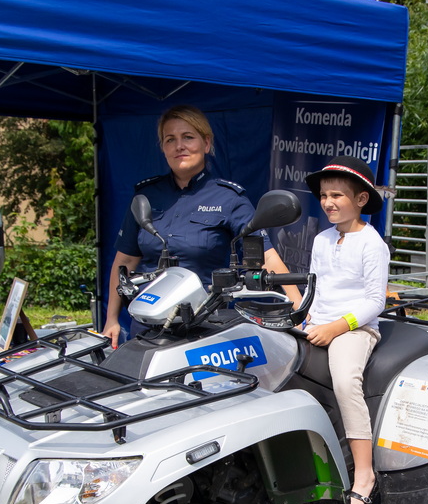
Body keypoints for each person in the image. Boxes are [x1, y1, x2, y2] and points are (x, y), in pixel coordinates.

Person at [103, 105, 294, 347]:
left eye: (188, 137)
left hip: (203, 326)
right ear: (163, 148)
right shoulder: (146, 197)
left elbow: (267, 257)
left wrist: (298, 312)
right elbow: (124, 262)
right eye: (170, 139)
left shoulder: (229, 198)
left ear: (206, 143)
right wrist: (111, 319)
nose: (179, 146)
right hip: (146, 326)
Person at [301, 156, 390, 504]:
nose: (328, 202)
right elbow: (315, 287)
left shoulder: (372, 244)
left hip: (355, 327)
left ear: (361, 200)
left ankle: (365, 474)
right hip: (317, 323)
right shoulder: (322, 239)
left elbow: (375, 301)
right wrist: (305, 318)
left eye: (337, 194)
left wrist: (337, 327)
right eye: (324, 195)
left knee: (344, 377)